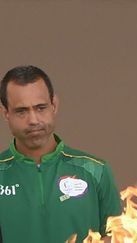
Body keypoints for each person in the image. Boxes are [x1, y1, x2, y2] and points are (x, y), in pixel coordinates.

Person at [0, 65, 122, 242]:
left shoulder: (96, 170)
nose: (33, 120)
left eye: (40, 108)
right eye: (22, 111)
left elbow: (119, 237)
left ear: (54, 105)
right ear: (6, 114)